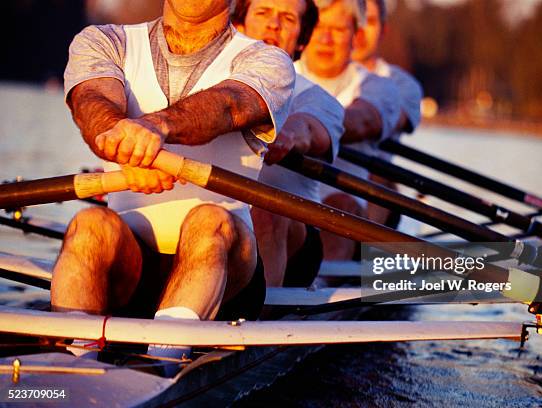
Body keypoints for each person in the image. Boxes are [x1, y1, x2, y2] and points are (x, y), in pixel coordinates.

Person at [51, 0, 295, 370]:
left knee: (207, 220)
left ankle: (161, 363)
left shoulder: (267, 61)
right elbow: (93, 102)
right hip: (131, 267)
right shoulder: (103, 40)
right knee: (88, 224)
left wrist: (153, 130)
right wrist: (122, 142)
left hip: (226, 266)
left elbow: (229, 104)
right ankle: (73, 362)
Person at [233, 0, 345, 287]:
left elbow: (307, 127)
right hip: (218, 225)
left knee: (269, 208)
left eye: (287, 18)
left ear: (302, 39)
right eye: (263, 13)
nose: (274, 24)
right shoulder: (209, 85)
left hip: (294, 239)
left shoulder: (319, 100)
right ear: (240, 24)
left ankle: (260, 318)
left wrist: (289, 134)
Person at [296, 0, 401, 260]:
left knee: (342, 205)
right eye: (319, 27)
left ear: (357, 34)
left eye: (339, 30)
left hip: (344, 219)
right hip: (286, 215)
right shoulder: (282, 74)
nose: (326, 39)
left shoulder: (378, 87)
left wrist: (305, 129)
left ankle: (320, 288)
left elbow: (362, 120)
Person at [352, 0, 423, 230]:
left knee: (380, 180)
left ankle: (352, 256)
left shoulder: (402, 85)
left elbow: (385, 121)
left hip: (369, 186)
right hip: (313, 178)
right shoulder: (300, 71)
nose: (360, 30)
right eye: (356, 19)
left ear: (383, 30)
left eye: (370, 21)